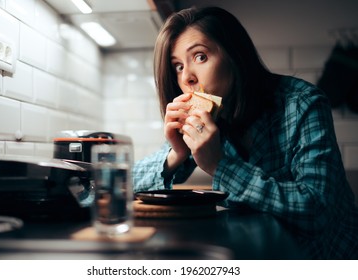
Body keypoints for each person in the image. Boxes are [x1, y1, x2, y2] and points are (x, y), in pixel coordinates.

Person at [132, 6, 358, 259]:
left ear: (234, 55)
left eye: (200, 57)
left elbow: (316, 211)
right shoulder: (210, 114)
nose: (188, 78)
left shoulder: (303, 102)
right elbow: (124, 186)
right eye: (177, 66)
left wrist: (219, 166)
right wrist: (177, 153)